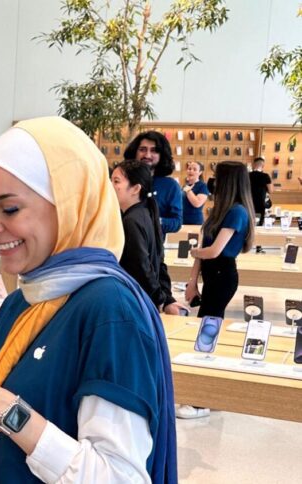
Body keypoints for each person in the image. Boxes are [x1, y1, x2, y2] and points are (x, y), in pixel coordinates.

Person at [0, 117, 176, 483]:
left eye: (9, 209)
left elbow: (119, 477)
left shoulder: (109, 309)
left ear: (69, 204)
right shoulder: (21, 302)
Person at [182, 161, 255, 420]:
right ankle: (205, 394)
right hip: (212, 276)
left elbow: (214, 251)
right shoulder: (219, 211)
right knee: (206, 330)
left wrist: (193, 251)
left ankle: (203, 399)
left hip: (223, 276)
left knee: (208, 333)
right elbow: (205, 250)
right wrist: (192, 282)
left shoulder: (237, 212)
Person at [124, 131, 186, 315]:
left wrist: (151, 221)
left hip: (152, 254)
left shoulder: (169, 186)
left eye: (153, 150)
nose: (147, 155)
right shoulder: (124, 182)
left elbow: (176, 222)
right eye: (142, 149)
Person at [112, 160, 169, 310]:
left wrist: (159, 297)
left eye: (116, 181)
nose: (110, 186)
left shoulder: (131, 220)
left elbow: (141, 265)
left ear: (136, 188)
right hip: (144, 298)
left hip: (137, 300)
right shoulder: (144, 212)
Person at [248, 157, 272, 225]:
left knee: (248, 223)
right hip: (260, 204)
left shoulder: (247, 175)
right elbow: (270, 191)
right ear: (263, 166)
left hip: (248, 202)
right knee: (258, 224)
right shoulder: (265, 176)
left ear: (253, 164)